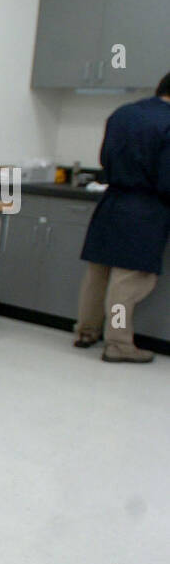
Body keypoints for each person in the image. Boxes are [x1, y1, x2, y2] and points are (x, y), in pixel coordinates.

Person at [74, 72, 170, 363]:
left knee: (98, 275)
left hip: (112, 202)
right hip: (145, 210)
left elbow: (105, 159)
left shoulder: (123, 113)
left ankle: (86, 331)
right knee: (127, 283)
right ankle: (118, 343)